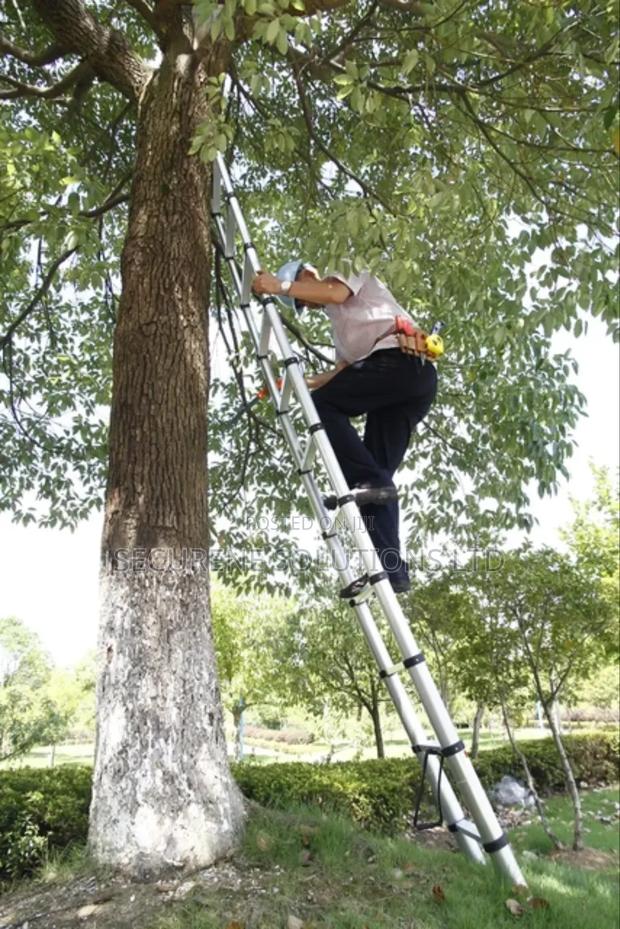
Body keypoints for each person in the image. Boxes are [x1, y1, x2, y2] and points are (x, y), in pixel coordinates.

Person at [252, 260, 438, 594]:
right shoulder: (340, 329)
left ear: (306, 274)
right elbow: (343, 373)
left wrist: (277, 287)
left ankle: (367, 484)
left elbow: (335, 292)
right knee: (375, 484)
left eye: (302, 298)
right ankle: (392, 569)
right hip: (395, 384)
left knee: (325, 407)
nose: (305, 305)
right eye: (299, 305)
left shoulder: (343, 266)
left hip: (404, 364)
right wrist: (296, 383)